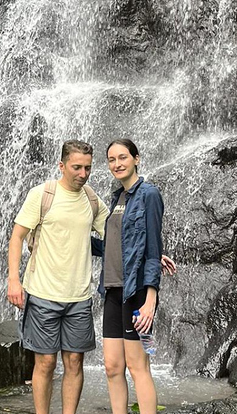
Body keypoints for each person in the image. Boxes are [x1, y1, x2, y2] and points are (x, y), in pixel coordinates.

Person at [7, 139, 109, 414]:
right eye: (77, 167)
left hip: (79, 297)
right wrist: (13, 280)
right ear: (61, 166)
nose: (83, 174)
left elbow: (118, 235)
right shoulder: (42, 195)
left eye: (87, 168)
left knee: (75, 361)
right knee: (45, 363)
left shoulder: (91, 199)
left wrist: (151, 254)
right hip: (42, 293)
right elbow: (17, 237)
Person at [92, 138, 167, 414]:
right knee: (112, 367)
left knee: (137, 366)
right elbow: (113, 245)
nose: (117, 164)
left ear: (136, 158)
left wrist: (150, 299)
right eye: (111, 159)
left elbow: (152, 250)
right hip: (112, 290)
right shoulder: (117, 198)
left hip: (135, 293)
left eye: (122, 157)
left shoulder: (148, 194)